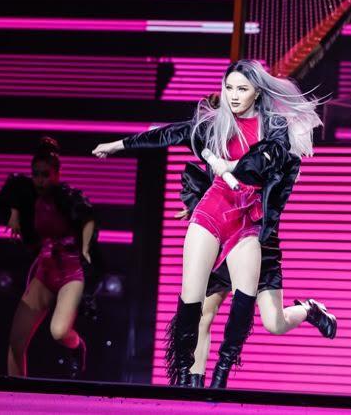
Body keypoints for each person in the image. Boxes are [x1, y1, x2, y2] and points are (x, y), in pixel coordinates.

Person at [92, 60, 321, 388]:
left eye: (242, 89)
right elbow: (169, 133)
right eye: (229, 88)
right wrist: (118, 145)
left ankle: (221, 376)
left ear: (257, 92)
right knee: (193, 301)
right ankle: (186, 378)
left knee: (246, 305)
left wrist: (233, 165)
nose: (234, 95)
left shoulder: (274, 126)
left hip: (249, 222)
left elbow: (268, 158)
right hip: (213, 212)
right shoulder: (215, 124)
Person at [176, 159, 337, 387]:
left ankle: (309, 310)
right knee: (203, 315)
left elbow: (275, 194)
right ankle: (195, 388)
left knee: (275, 323)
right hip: (224, 236)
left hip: (259, 243)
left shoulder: (276, 152)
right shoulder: (226, 144)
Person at [0, 137, 98, 378]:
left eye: (46, 175)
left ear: (57, 174)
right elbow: (13, 191)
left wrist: (86, 248)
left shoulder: (68, 197)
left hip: (71, 270)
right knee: (16, 341)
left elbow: (88, 218)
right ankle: (16, 397)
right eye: (36, 174)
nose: (40, 180)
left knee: (58, 331)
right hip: (46, 269)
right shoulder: (28, 195)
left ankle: (77, 345)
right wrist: (15, 214)